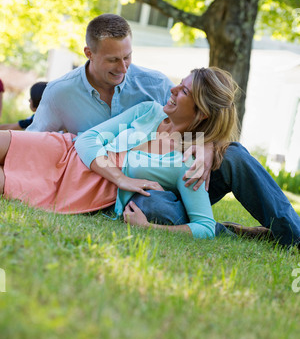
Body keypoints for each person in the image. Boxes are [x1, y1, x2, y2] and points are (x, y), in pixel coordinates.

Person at [27, 14, 300, 247]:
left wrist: (208, 145)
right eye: (113, 60)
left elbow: (197, 115)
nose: (123, 68)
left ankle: (293, 234)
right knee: (151, 207)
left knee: (234, 155)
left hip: (182, 171)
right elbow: (37, 144)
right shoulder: (60, 93)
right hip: (132, 186)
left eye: (128, 57)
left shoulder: (153, 84)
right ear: (90, 53)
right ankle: (216, 228)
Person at [0, 67, 238, 240]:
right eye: (180, 83)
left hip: (83, 186)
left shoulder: (188, 162)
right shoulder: (149, 110)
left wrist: (149, 228)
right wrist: (122, 178)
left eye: (184, 90)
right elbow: (87, 140)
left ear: (202, 113)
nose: (173, 89)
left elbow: (205, 227)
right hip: (66, 149)